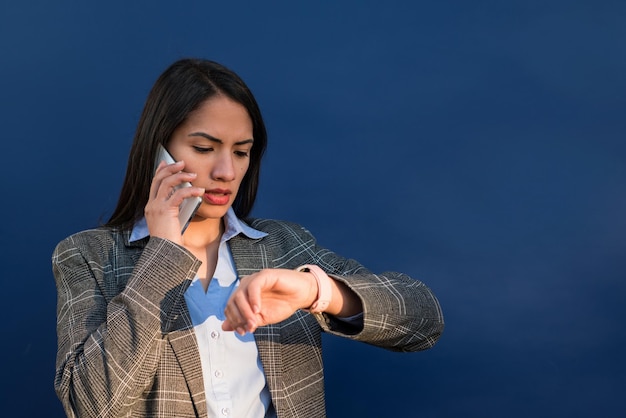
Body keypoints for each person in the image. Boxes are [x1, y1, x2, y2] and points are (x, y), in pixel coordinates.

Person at [52, 58, 444, 418]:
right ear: (159, 151)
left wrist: (314, 291)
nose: (226, 171)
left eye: (241, 152)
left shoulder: (284, 246)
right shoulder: (88, 256)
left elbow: (424, 320)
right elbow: (91, 406)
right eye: (204, 148)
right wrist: (163, 255)